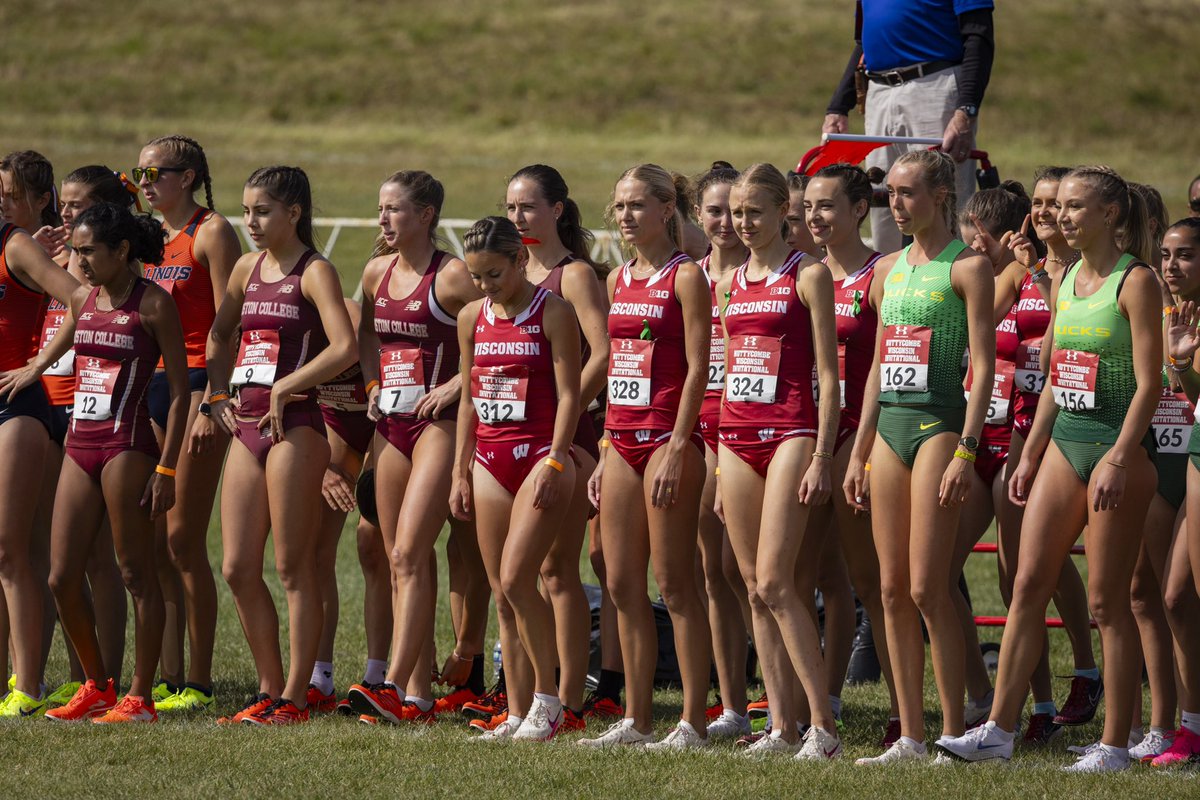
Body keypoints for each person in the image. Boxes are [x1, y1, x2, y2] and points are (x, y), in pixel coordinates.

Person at [938, 166, 1163, 773]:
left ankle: (1116, 743)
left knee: (1106, 602)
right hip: (1063, 444)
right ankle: (998, 732)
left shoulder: (1136, 281)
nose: (1061, 216)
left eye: (1074, 207)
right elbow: (1059, 382)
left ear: (1110, 215)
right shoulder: (1064, 281)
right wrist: (1031, 452)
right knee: (1026, 585)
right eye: (1058, 206)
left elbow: (1149, 384)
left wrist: (1119, 455)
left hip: (1117, 455)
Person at [844, 149, 995, 765]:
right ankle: (909, 732)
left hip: (939, 427)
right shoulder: (887, 271)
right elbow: (879, 365)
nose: (898, 205)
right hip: (889, 432)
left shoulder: (969, 267)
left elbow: (982, 364)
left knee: (930, 586)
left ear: (940, 195)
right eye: (892, 196)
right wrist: (858, 451)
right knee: (888, 589)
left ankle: (953, 729)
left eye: (908, 194)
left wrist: (967, 448)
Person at [206, 166, 356, 725]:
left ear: (294, 213)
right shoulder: (246, 267)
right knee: (238, 566)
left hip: (295, 427)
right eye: (246, 211)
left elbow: (343, 346)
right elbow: (221, 335)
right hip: (245, 425)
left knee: (293, 567)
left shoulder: (316, 271)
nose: (251, 221)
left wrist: (289, 384)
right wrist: (215, 393)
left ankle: (295, 696)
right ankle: (268, 688)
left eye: (263, 211)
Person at [579, 164, 713, 749]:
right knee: (621, 581)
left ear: (666, 210)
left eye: (637, 205)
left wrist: (679, 446)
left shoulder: (687, 277)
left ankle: (693, 719)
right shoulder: (617, 282)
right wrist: (607, 446)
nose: (626, 216)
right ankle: (635, 719)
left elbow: (699, 369)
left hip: (667, 442)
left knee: (676, 583)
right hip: (622, 442)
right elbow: (616, 367)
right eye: (619, 206)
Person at [715, 163, 843, 760]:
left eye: (754, 213)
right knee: (751, 587)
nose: (743, 223)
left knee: (776, 580)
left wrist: (822, 454)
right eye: (737, 213)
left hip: (790, 431)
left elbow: (827, 373)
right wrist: (718, 463)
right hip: (734, 436)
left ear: (780, 215)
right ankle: (781, 727)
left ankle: (823, 727)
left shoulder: (809, 274)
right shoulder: (728, 282)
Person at [41, 202, 188, 723]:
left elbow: (177, 391)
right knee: (60, 576)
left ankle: (140, 696)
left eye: (88, 251)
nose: (79, 261)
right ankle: (96, 684)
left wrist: (167, 467)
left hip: (127, 446)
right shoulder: (84, 298)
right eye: (76, 251)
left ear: (122, 251)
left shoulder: (153, 305)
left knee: (135, 573)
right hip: (79, 444)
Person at [348, 171, 483, 724]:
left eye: (394, 209)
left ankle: (392, 687)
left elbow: (500, 328)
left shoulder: (451, 277)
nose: (383, 219)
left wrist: (456, 383)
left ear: (426, 214)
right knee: (397, 554)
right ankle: (418, 696)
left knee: (408, 552)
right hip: (392, 424)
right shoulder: (376, 271)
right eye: (380, 209)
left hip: (442, 425)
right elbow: (367, 335)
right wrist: (375, 384)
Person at [449, 216, 582, 741]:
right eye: (478, 276)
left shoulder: (554, 311)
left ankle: (549, 703)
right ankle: (516, 711)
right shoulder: (470, 318)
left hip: (540, 459)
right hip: (489, 459)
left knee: (517, 580)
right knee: (501, 593)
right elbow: (469, 399)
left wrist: (555, 459)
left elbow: (570, 394)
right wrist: (461, 471)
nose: (486, 286)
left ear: (520, 260)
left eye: (495, 275)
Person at [135, 135, 242, 712]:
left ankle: (198, 680)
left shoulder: (213, 231)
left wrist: (213, 397)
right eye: (141, 171)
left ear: (191, 176)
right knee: (152, 536)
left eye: (158, 172)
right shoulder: (148, 234)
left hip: (198, 386)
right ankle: (168, 674)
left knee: (182, 540)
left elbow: (233, 319)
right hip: (148, 384)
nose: (147, 182)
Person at [505, 164, 609, 731]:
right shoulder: (509, 272)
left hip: (565, 443)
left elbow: (604, 353)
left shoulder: (572, 276)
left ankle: (568, 700)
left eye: (528, 207)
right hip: (511, 440)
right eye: (511, 207)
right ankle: (524, 699)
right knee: (516, 574)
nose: (518, 217)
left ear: (558, 210)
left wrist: (563, 415)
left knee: (556, 571)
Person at [31, 166, 135, 704]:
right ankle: (84, 677)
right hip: (44, 407)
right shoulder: (53, 261)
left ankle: (101, 675)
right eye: (63, 204)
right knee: (56, 555)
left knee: (102, 558)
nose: (66, 213)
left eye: (78, 205)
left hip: (90, 410)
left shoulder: (95, 275)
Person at [804, 163, 900, 745]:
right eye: (809, 207)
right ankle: (825, 700)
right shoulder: (807, 274)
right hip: (808, 435)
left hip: (860, 437)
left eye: (827, 206)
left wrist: (862, 448)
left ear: (859, 209)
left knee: (870, 581)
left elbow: (891, 365)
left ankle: (902, 708)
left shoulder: (880, 273)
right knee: (815, 576)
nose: (815, 217)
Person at [1003, 167, 1100, 732]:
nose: (1044, 213)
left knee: (1113, 581)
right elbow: (981, 320)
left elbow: (1065, 341)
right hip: (1028, 422)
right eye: (1037, 203)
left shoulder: (1086, 274)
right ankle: (1036, 705)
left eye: (1054, 204)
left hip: (1084, 419)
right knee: (1030, 566)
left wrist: (1040, 278)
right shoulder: (1023, 269)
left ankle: (1089, 674)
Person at [0, 157, 82, 716]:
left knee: (14, 552)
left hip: (16, 408)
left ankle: (26, 686)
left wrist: (37, 364)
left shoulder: (15, 245)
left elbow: (80, 299)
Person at [823, 0, 995, 254]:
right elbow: (864, 44)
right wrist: (838, 106)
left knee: (943, 200)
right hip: (878, 89)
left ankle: (956, 285)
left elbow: (978, 35)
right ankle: (889, 288)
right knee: (883, 200)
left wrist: (965, 110)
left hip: (934, 84)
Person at [690, 162, 755, 743]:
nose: (726, 222)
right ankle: (732, 701)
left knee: (751, 572)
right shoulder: (688, 276)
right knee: (714, 569)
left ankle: (780, 700)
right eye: (714, 210)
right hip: (695, 428)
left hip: (750, 431)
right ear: (697, 215)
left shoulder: (767, 273)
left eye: (735, 211)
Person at [305, 297, 381, 713]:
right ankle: (320, 676)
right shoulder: (296, 327)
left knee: (375, 546)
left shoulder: (360, 323)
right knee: (316, 551)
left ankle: (381, 673)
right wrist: (320, 466)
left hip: (382, 423)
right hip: (331, 422)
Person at [1143, 217, 1200, 767]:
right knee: (1175, 596)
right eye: (1166, 254)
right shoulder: (1177, 313)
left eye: (1184, 255)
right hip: (1188, 457)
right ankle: (1190, 729)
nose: (1170, 266)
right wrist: (1182, 363)